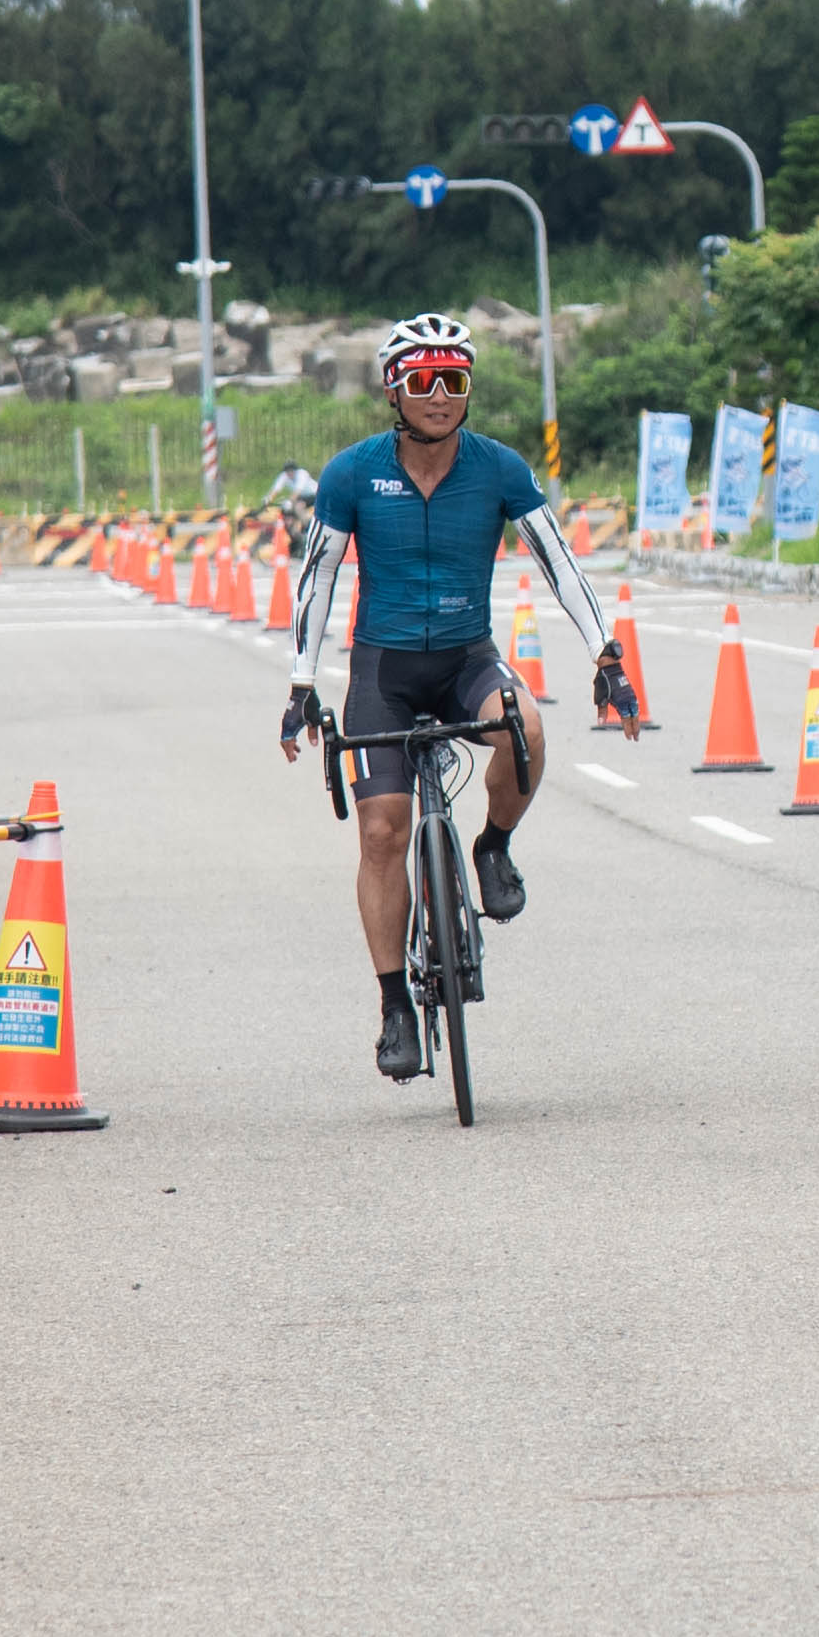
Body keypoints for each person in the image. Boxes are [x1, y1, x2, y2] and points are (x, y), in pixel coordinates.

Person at [302, 314, 550, 1081]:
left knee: (527, 728)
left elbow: (559, 560)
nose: (439, 395)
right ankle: (395, 1008)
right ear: (394, 390)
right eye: (422, 381)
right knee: (382, 832)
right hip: (384, 671)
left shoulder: (499, 467)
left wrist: (608, 655)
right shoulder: (352, 473)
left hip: (468, 661)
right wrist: (301, 683)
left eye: (454, 380)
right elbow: (318, 578)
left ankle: (492, 847)